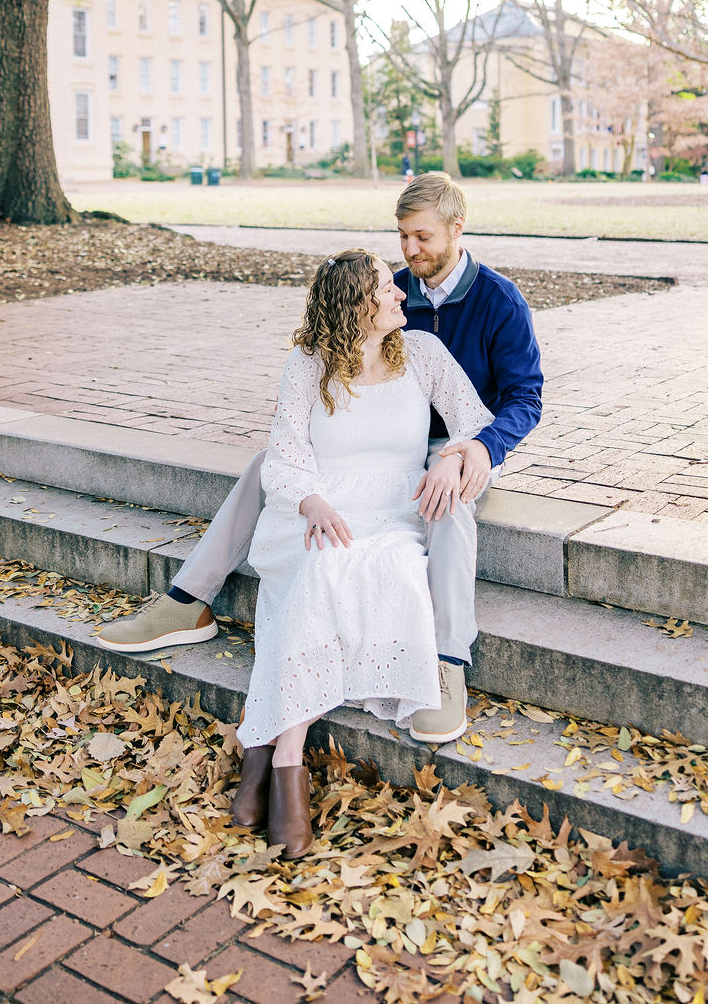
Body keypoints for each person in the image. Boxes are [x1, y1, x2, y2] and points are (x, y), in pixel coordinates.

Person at [97, 172, 543, 744]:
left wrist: (474, 450)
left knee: (448, 501)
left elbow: (523, 400)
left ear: (458, 229)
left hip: (460, 441)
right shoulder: (388, 290)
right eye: (403, 237)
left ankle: (448, 661)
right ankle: (190, 600)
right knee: (272, 465)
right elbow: (334, 357)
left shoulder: (498, 302)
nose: (410, 252)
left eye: (423, 237)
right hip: (368, 441)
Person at [229, 250, 492, 855]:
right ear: (356, 304)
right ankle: (288, 752)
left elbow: (473, 422)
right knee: (323, 564)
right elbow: (286, 452)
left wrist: (453, 458)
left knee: (387, 567)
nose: (402, 294)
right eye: (386, 290)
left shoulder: (423, 353)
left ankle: (264, 752)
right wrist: (312, 502)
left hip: (398, 512)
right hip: (321, 505)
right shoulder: (307, 365)